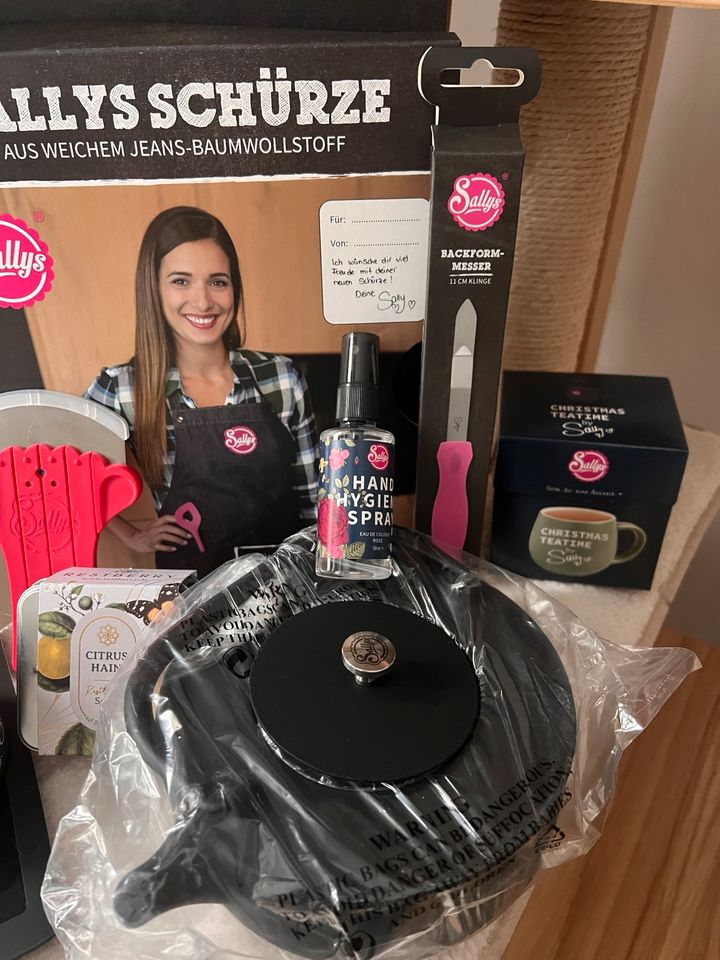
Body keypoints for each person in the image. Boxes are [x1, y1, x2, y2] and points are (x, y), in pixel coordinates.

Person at [85, 205, 318, 576]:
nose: (203, 301)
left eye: (217, 281)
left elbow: (313, 500)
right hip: (189, 590)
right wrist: (131, 535)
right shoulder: (121, 389)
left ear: (234, 287)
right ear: (154, 288)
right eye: (181, 281)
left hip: (285, 581)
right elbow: (72, 478)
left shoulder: (281, 377)